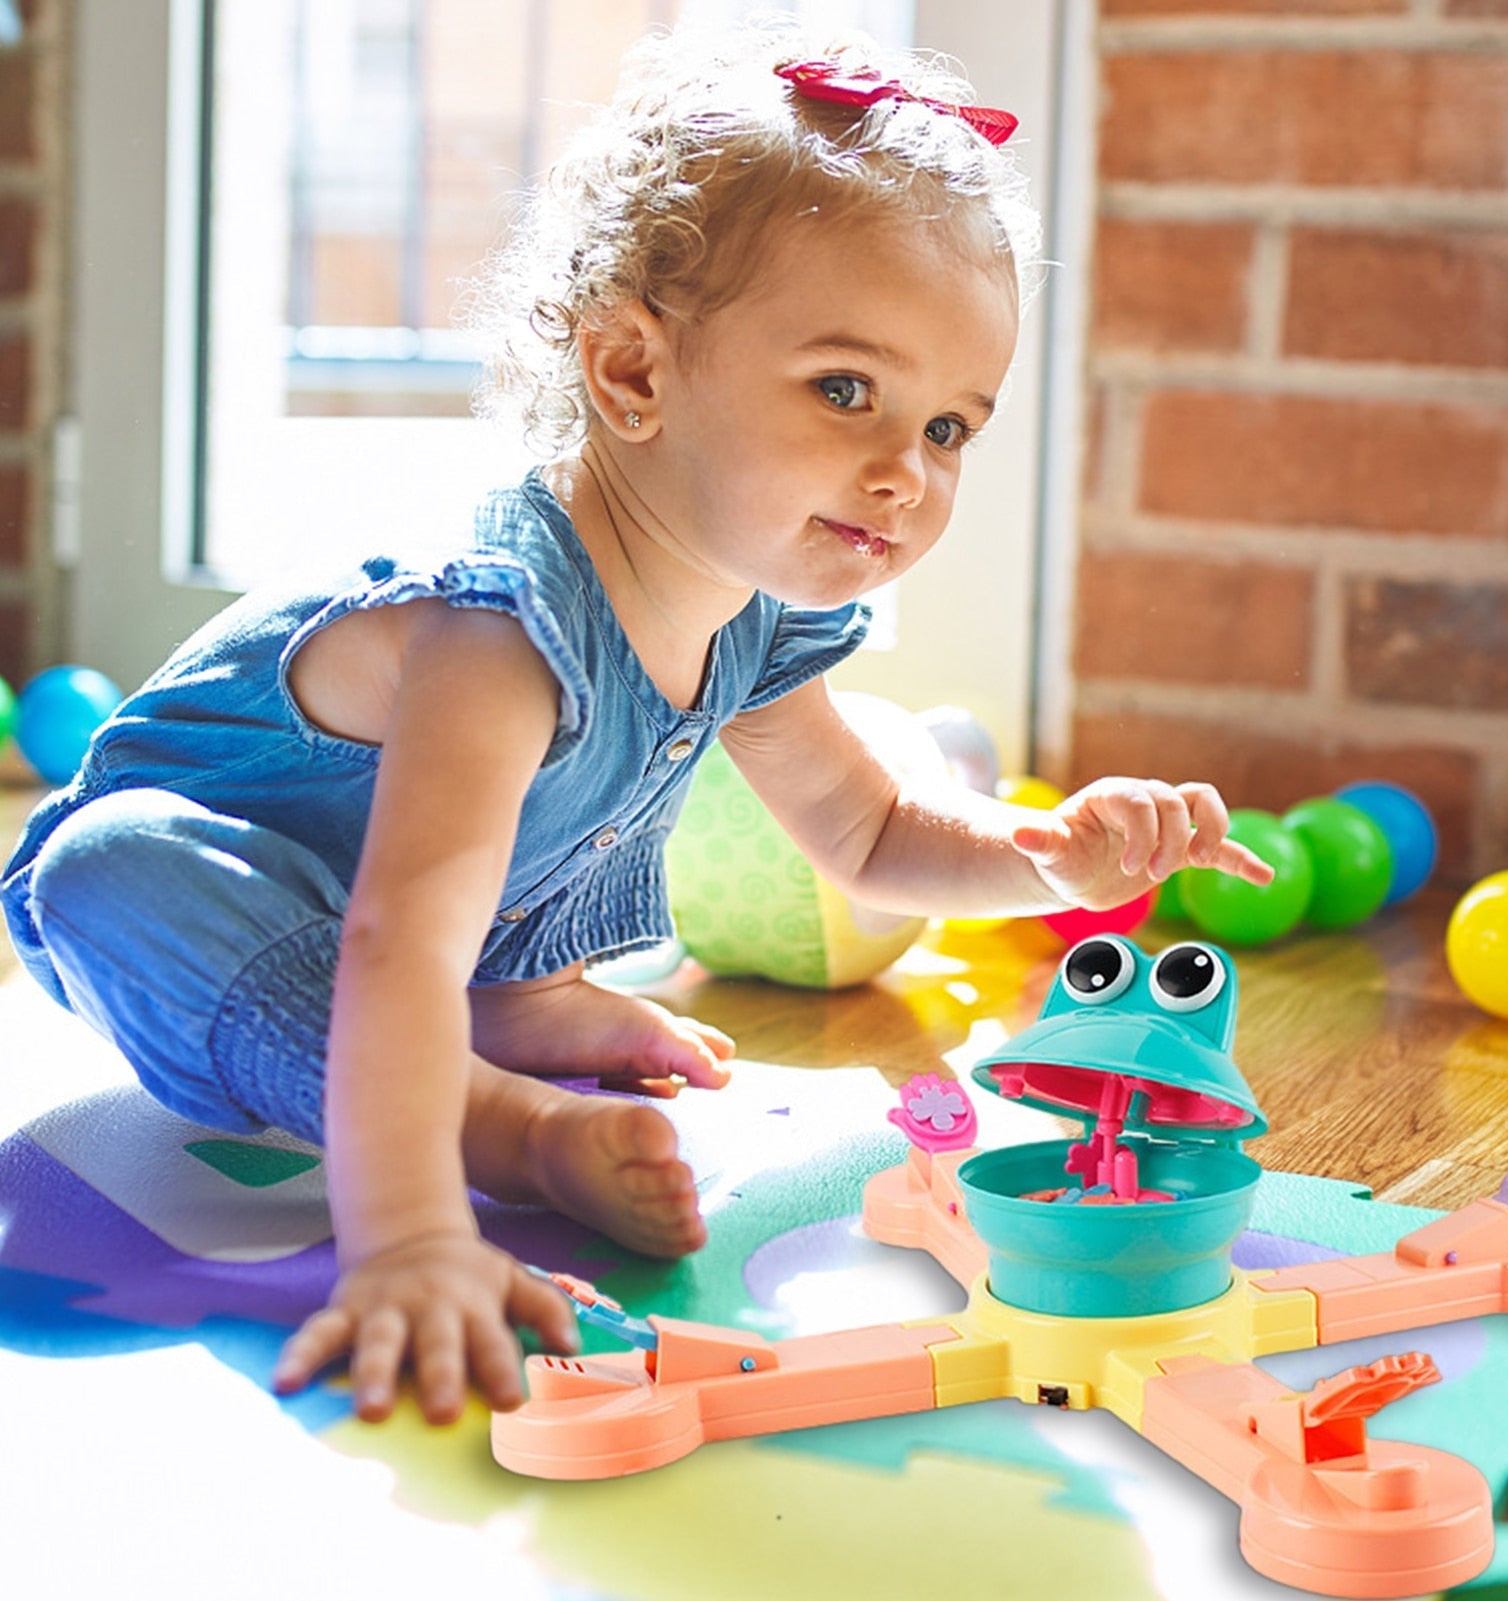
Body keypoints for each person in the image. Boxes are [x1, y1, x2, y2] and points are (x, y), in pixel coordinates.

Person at [1, 19, 1272, 1428]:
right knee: (105, 866)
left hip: (417, 933)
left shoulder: (749, 615)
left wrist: (1043, 856)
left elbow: (869, 827)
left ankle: (506, 1012)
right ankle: (510, 1119)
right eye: (846, 389)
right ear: (632, 374)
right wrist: (419, 1238)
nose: (901, 470)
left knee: (452, 939)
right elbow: (391, 937)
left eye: (948, 427)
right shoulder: (500, 633)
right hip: (194, 917)